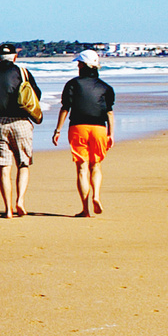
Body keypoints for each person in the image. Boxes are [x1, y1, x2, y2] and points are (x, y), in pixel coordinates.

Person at [0, 43, 41, 219]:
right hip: (20, 121)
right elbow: (36, 95)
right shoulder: (23, 72)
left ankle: (8, 210)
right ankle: (20, 201)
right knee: (23, 163)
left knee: (4, 167)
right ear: (15, 57)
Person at [51, 50, 115, 217]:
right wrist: (111, 133)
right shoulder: (105, 87)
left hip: (78, 127)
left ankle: (85, 210)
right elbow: (109, 112)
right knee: (96, 165)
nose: (77, 66)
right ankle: (96, 196)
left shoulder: (72, 84)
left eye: (79, 63)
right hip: (99, 128)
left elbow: (65, 108)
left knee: (81, 168)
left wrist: (57, 130)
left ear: (82, 65)